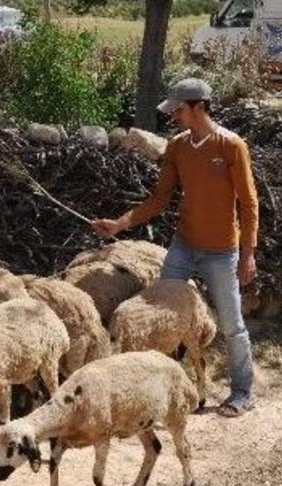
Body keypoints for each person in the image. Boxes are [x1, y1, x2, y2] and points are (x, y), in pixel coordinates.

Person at [90, 78, 258, 418]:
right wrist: (121, 223)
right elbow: (160, 198)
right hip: (184, 245)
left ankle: (242, 391)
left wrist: (248, 253)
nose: (174, 117)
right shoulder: (178, 147)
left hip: (222, 251)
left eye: (179, 110)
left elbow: (249, 203)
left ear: (199, 107)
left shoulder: (231, 146)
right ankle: (166, 390)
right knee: (163, 316)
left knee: (231, 323)